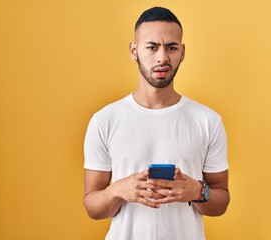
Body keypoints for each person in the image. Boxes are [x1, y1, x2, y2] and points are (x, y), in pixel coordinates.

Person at [83, 6, 230, 240]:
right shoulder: (105, 120)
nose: (162, 57)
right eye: (152, 47)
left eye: (171, 47)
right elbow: (92, 206)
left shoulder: (208, 121)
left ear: (182, 52)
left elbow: (221, 201)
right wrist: (117, 190)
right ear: (134, 51)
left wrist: (197, 191)